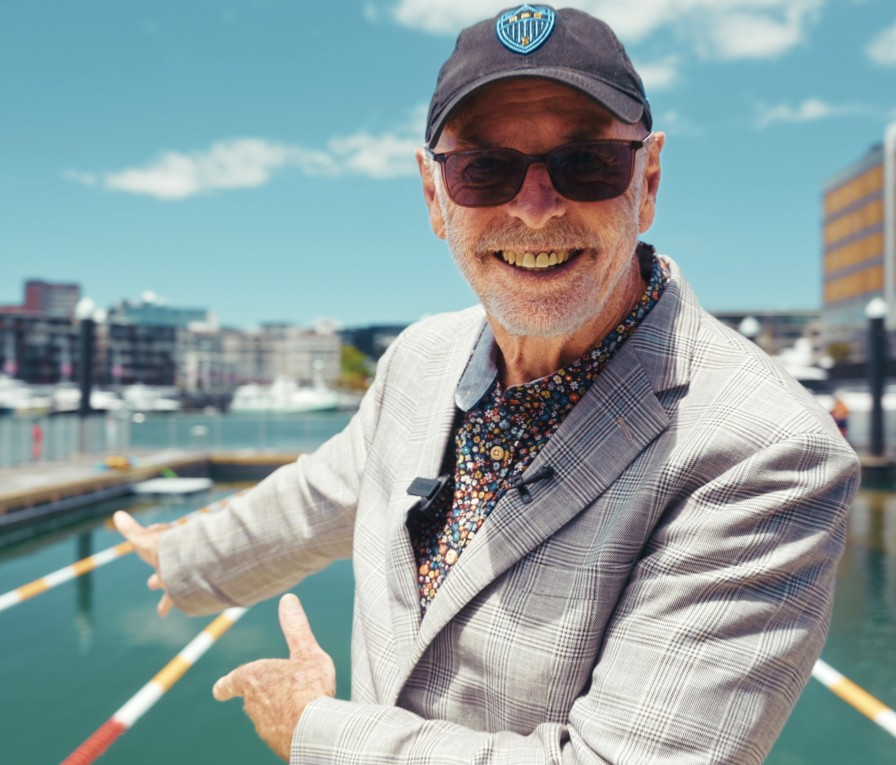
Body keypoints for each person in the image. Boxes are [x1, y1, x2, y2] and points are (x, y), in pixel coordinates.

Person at [114, 6, 860, 763]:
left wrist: (310, 728)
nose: (535, 208)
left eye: (586, 162)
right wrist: (185, 559)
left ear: (648, 181)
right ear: (434, 197)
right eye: (484, 170)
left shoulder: (766, 451)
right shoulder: (422, 357)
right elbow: (327, 493)